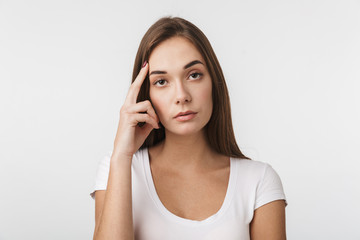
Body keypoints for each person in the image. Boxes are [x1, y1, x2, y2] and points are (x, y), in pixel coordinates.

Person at [90, 16, 288, 240]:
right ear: (145, 94)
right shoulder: (118, 169)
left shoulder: (258, 181)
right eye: (161, 82)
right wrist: (122, 156)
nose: (182, 96)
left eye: (194, 75)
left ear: (213, 81)